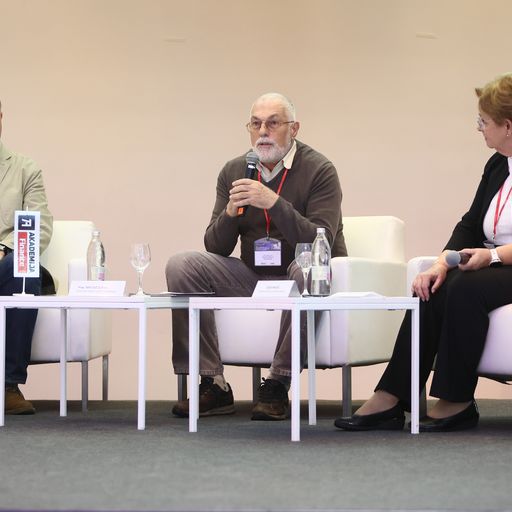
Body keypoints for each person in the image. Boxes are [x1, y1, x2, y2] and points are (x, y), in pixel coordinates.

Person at [335, 73, 512, 433]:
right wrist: (439, 264)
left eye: (484, 121)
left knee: (465, 288)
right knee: (433, 287)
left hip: (501, 263)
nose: (479, 128)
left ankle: (457, 400)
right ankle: (392, 395)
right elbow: (470, 223)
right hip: (493, 264)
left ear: (507, 126)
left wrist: (493, 257)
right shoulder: (497, 165)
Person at [166, 92, 346, 420]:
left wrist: (273, 203)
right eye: (255, 124)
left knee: (310, 269)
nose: (263, 132)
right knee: (182, 265)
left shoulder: (319, 169)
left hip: (300, 274)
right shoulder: (235, 170)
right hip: (253, 278)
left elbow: (321, 241)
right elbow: (216, 247)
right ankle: (213, 384)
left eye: (273, 123)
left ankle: (277, 383)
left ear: (294, 128)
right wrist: (230, 213)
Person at [0, 99, 54, 414]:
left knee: (25, 266)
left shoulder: (24, 169)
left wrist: (5, 249)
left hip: (5, 262)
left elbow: (40, 225)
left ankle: (8, 386)